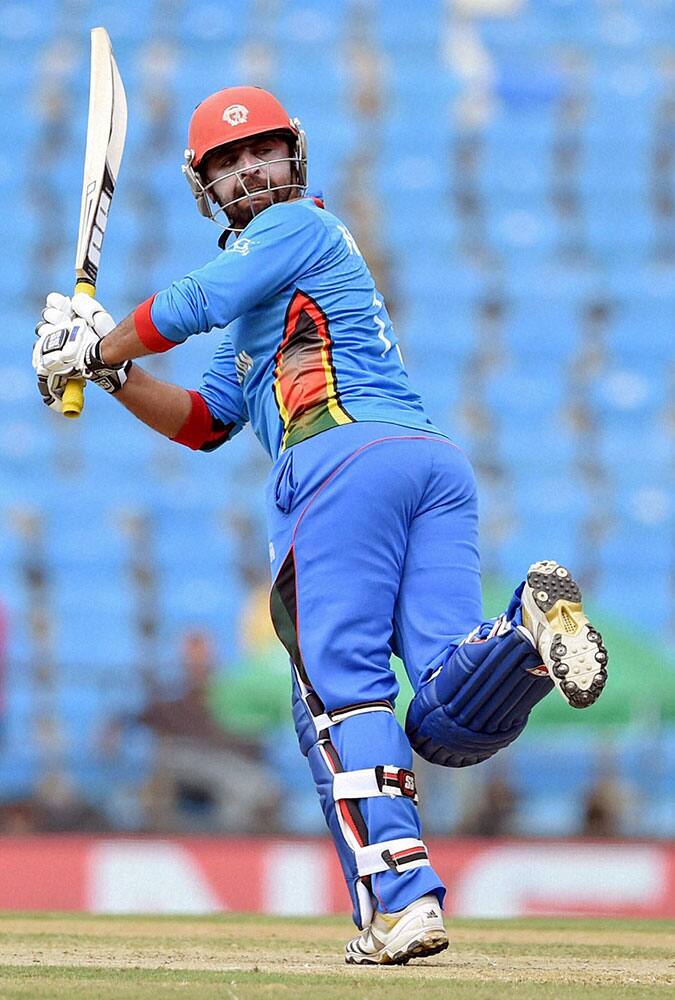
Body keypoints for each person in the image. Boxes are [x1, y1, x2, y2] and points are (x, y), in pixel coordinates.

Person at [32, 86, 608, 965]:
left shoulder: (293, 229)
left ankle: (402, 903)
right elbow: (203, 421)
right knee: (447, 719)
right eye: (227, 161)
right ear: (205, 186)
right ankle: (527, 629)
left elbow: (190, 302)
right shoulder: (272, 293)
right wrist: (109, 372)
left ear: (294, 156)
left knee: (338, 697)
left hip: (340, 464)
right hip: (427, 468)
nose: (248, 169)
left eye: (260, 150)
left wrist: (97, 345)